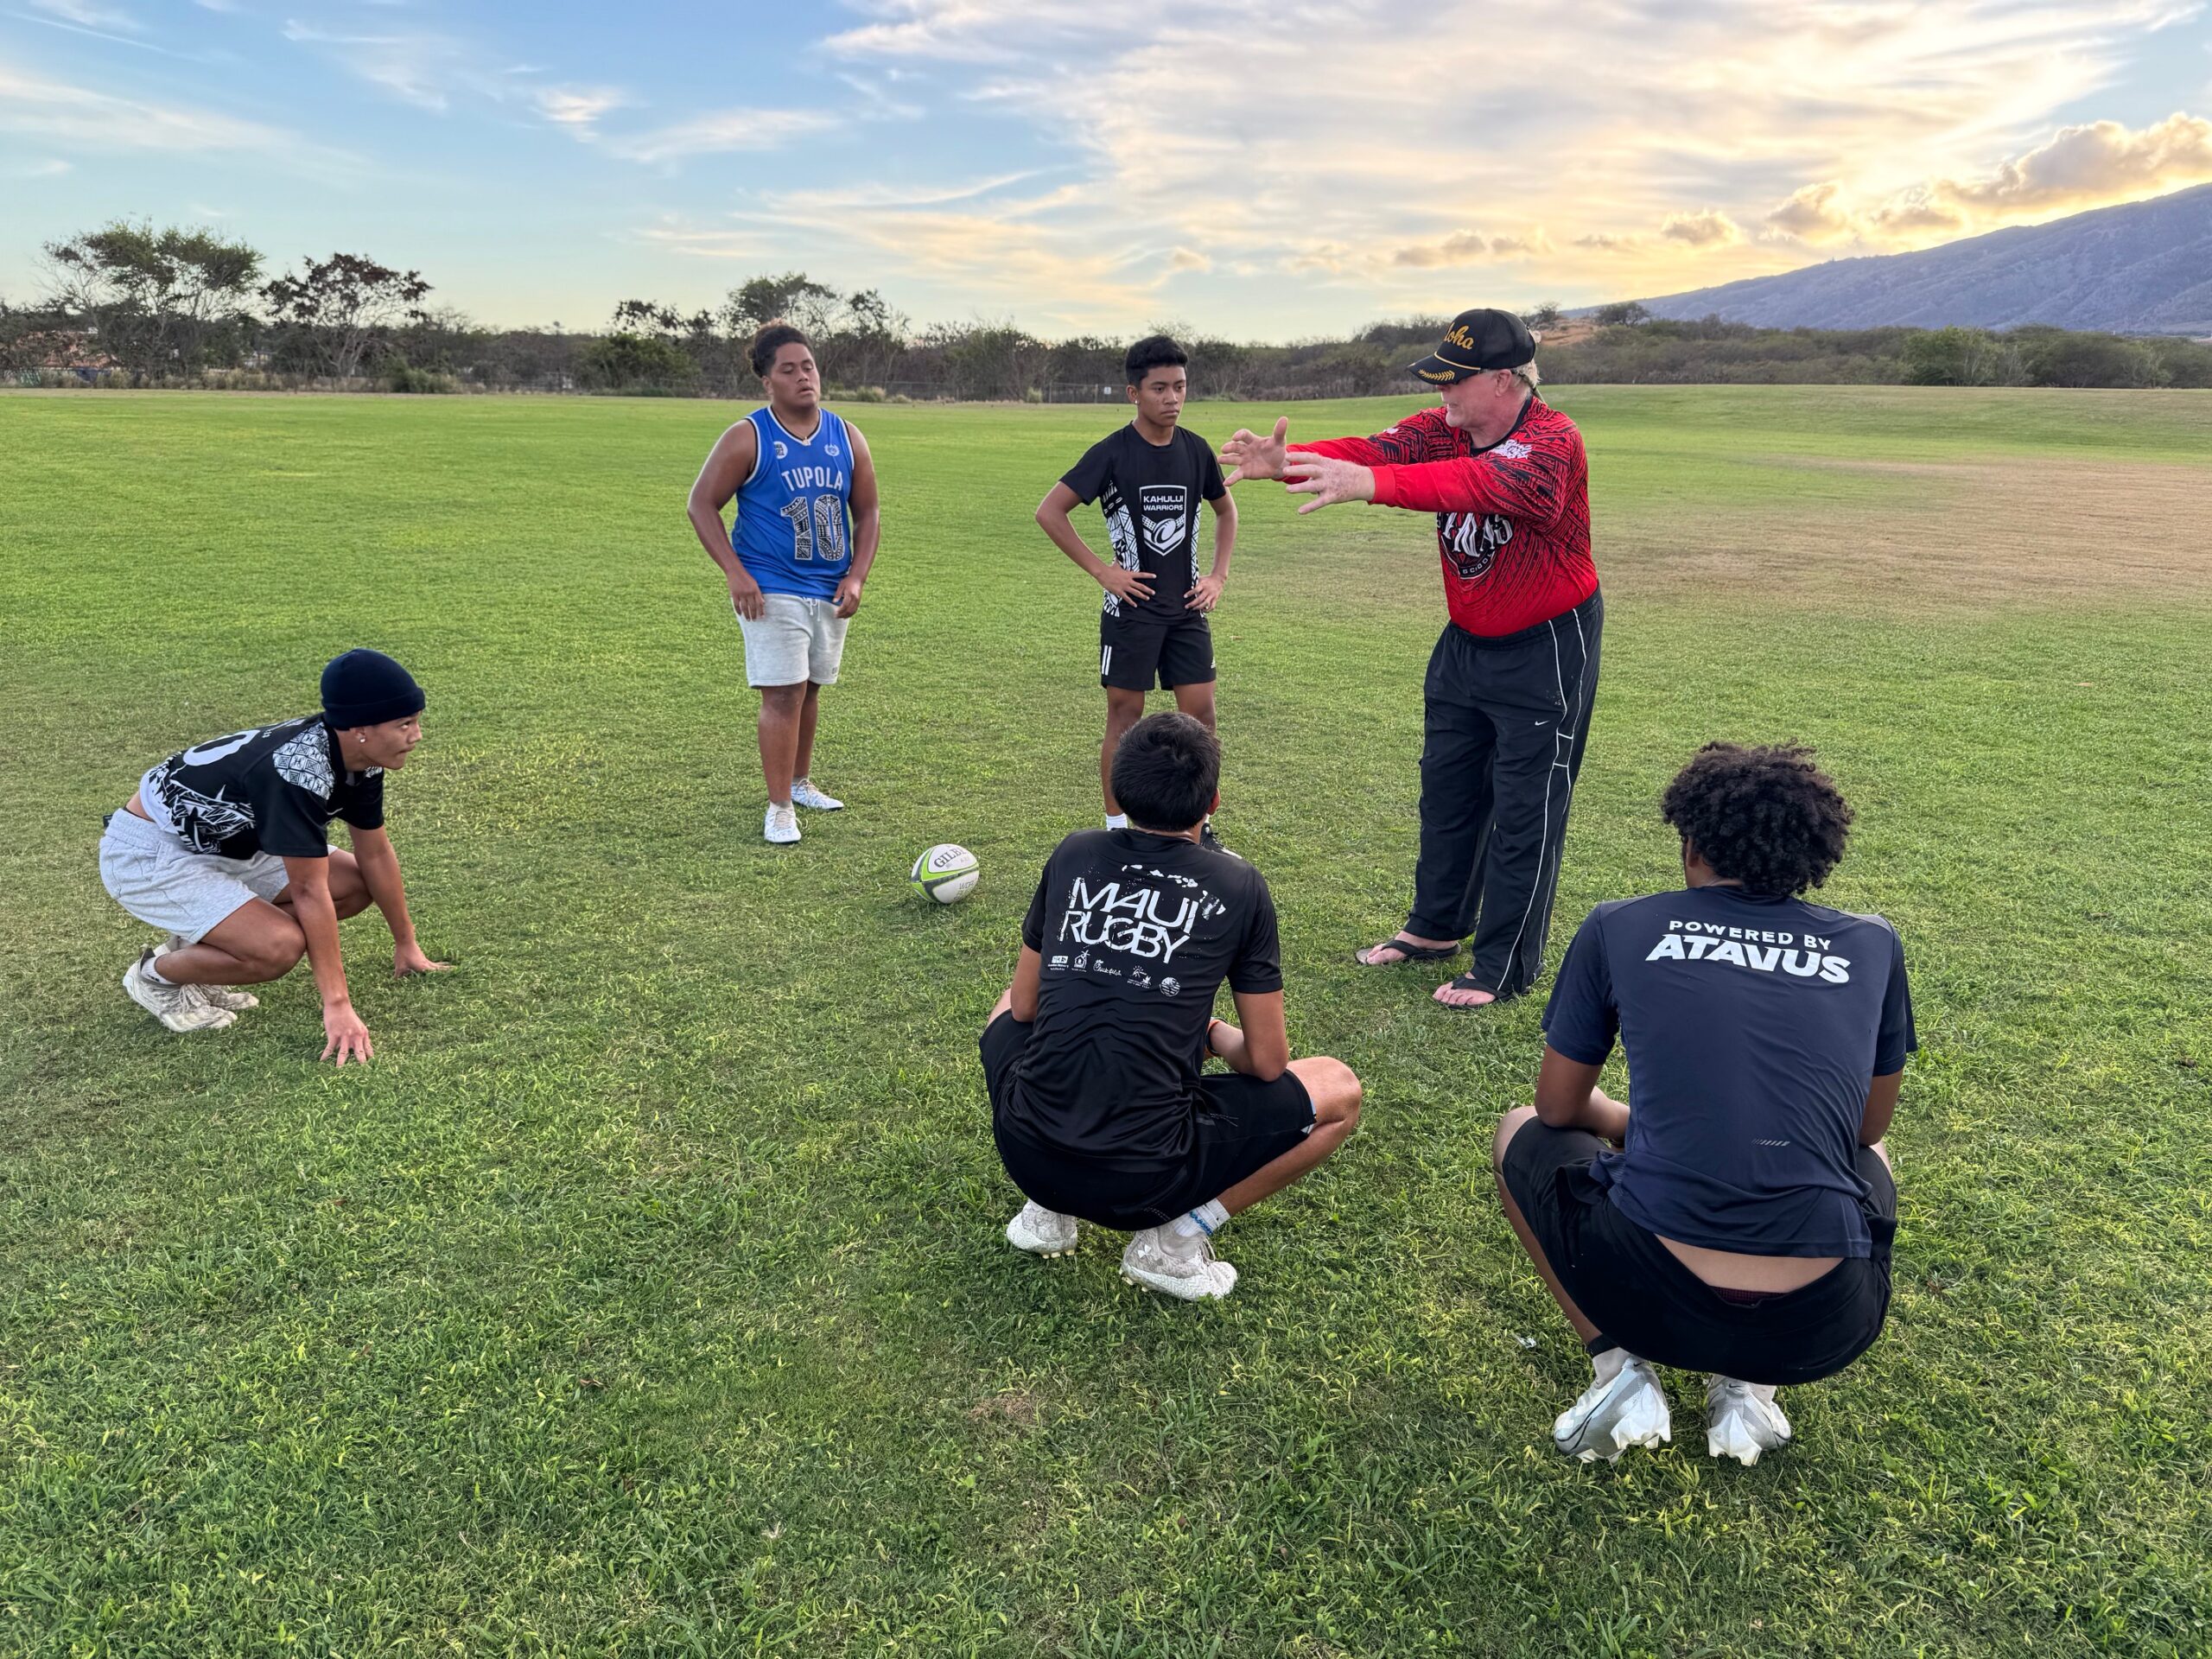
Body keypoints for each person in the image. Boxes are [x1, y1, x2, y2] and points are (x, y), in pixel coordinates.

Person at [1492, 742, 1914, 1465]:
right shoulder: (1872, 944)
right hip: (1823, 1319)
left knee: (1518, 1131)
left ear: (1691, 846)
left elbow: (1558, 1108)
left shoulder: (1620, 924)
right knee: (1866, 1155)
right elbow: (1866, 1128)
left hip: (1641, 1287)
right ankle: (1747, 1393)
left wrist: (1637, 1130)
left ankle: (1619, 1370)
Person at [1219, 308, 1599, 1008]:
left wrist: (1368, 488)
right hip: (1465, 641)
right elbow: (1377, 451)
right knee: (1447, 790)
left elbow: (1474, 485)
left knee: (1525, 807)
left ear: (1506, 378)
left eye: (1457, 381)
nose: (1444, 394)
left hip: (1545, 642)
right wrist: (1287, 461)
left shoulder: (1552, 442)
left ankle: (1504, 964)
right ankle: (1434, 928)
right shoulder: (1442, 426)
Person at [981, 713, 1361, 1300]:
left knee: (1005, 1003)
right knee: (1338, 1090)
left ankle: (1045, 1213)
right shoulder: (1239, 886)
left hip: (1025, 1150)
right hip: (1145, 1180)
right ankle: (1174, 1243)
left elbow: (1025, 1006)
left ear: (1118, 786)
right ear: (1212, 801)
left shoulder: (1075, 852)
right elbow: (1266, 1062)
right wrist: (1207, 1030)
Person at [97, 648, 448, 1065]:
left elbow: (375, 853)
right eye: (404, 724)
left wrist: (406, 944)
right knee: (278, 948)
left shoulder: (362, 759)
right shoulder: (298, 771)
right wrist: (337, 1005)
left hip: (230, 843)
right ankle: (155, 975)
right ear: (359, 729)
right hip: (150, 850)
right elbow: (308, 888)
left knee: (354, 886)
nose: (417, 735)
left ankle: (216, 940)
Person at [687, 321, 882, 845]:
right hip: (770, 585)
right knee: (783, 694)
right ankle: (778, 808)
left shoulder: (846, 435)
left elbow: (868, 511)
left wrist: (858, 575)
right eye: (788, 369)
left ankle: (799, 782)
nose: (803, 377)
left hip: (830, 587)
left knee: (810, 687)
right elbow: (701, 504)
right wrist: (736, 572)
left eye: (809, 366)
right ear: (767, 381)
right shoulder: (749, 435)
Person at [1036, 336, 1236, 846]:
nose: (1172, 398)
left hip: (1187, 611)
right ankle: (1116, 829)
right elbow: (1050, 512)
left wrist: (1217, 576)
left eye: (1181, 387)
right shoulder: (1111, 453)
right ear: (1134, 393)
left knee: (1203, 717)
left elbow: (1225, 510)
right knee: (1126, 719)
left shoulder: (1195, 450)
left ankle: (1199, 827)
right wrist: (1103, 572)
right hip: (1131, 611)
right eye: (1160, 388)